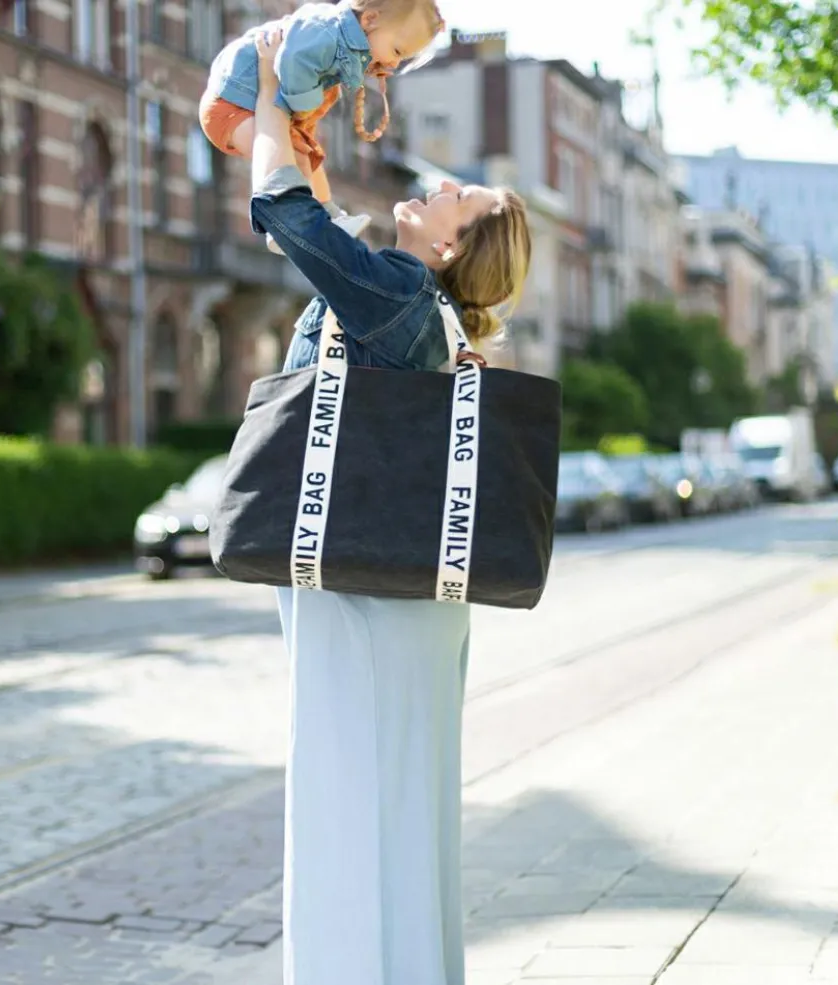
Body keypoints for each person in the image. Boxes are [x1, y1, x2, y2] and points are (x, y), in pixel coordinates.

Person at [248, 26, 532, 985]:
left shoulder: (404, 296)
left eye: (456, 193)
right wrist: (309, 148)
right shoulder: (420, 310)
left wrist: (265, 102)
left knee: (340, 786)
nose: (436, 182)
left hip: (352, 585)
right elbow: (326, 232)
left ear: (450, 242)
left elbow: (284, 212)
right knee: (407, 802)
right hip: (407, 597)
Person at [200, 0, 444, 253]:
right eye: (396, 51)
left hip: (251, 103)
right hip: (233, 105)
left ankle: (329, 213)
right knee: (290, 159)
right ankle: (284, 226)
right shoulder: (324, 30)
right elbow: (295, 60)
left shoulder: (343, 35)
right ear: (370, 19)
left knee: (310, 159)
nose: (393, 64)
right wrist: (306, 105)